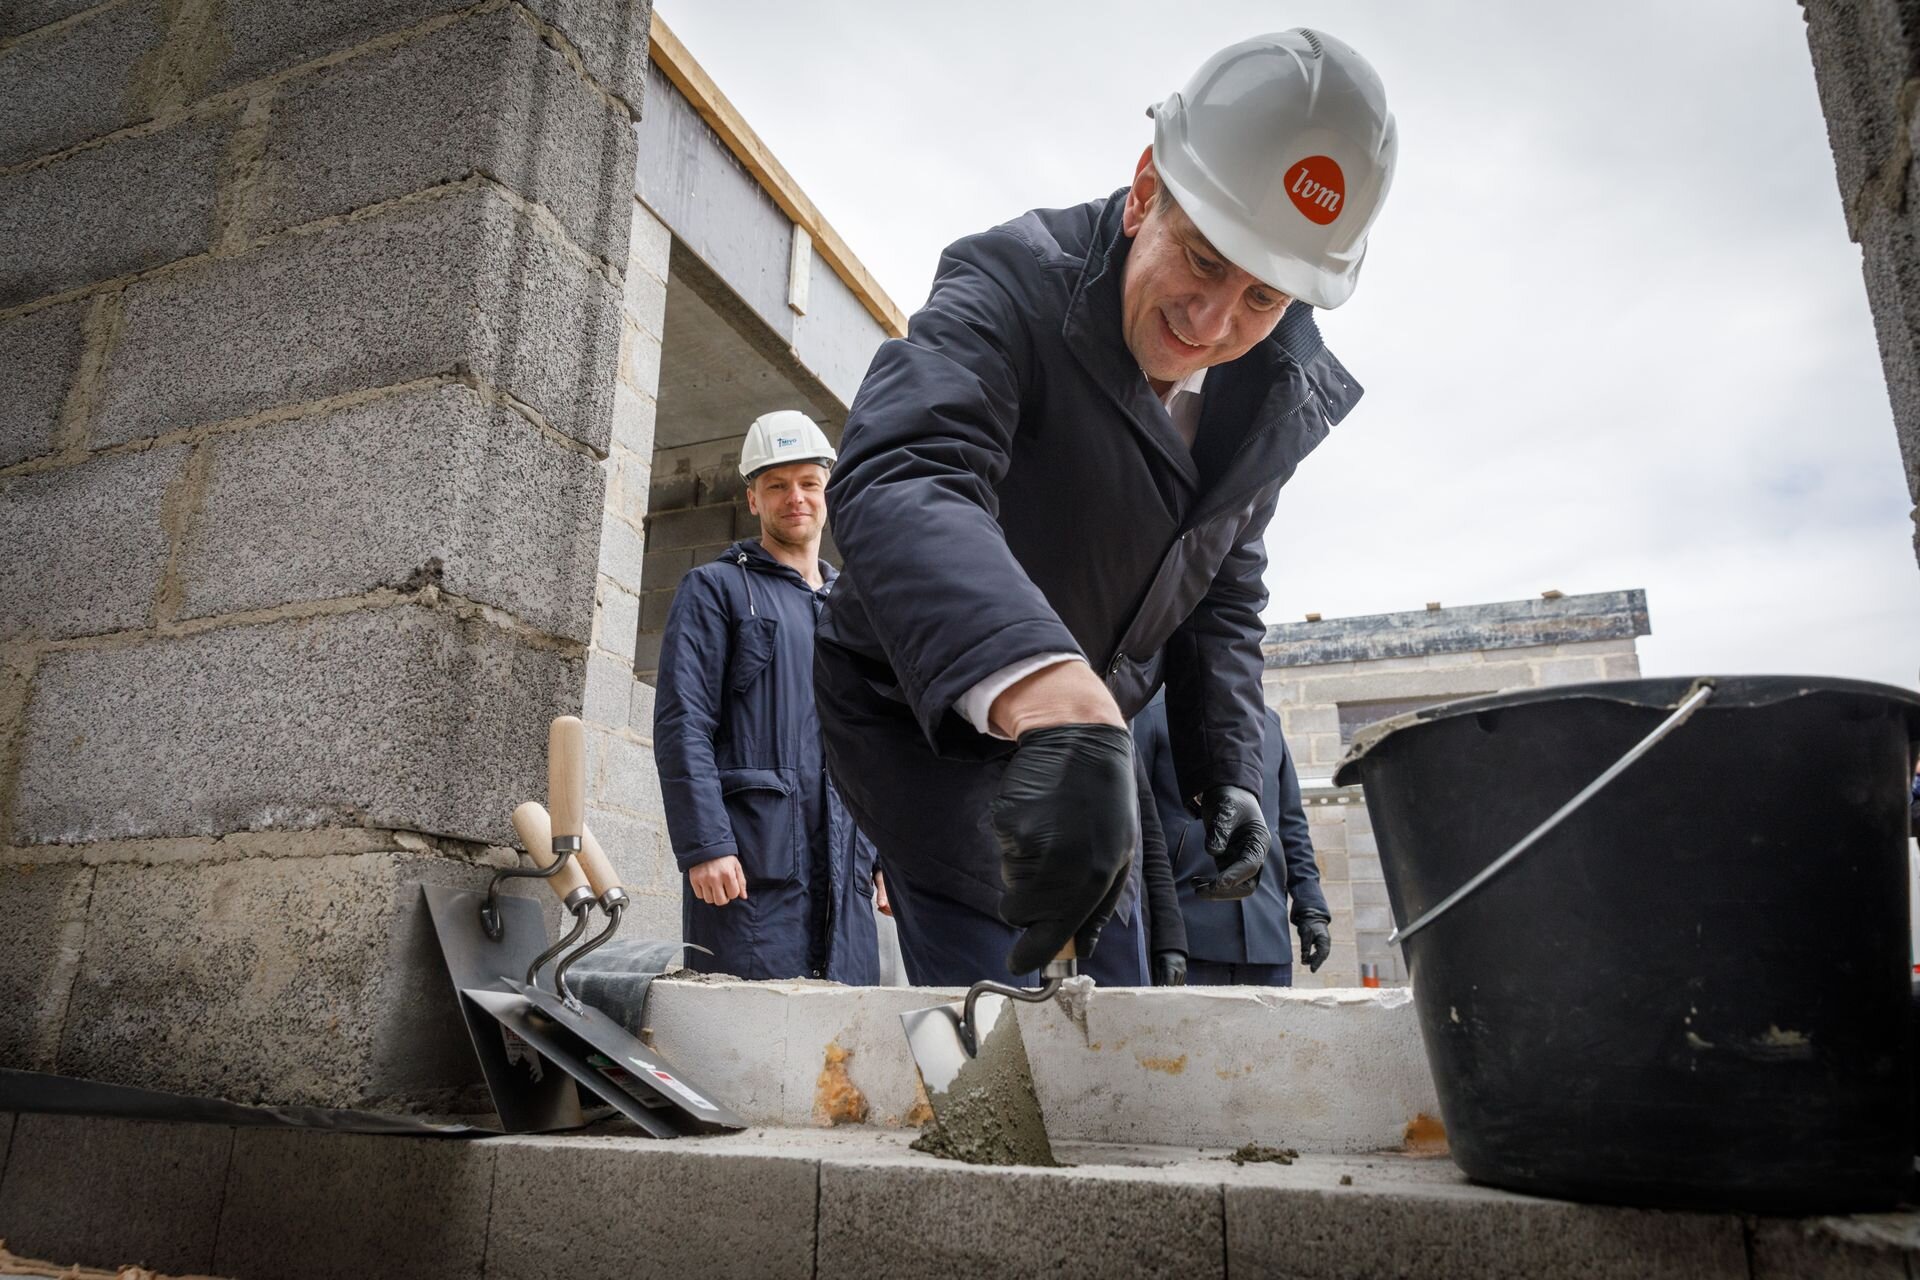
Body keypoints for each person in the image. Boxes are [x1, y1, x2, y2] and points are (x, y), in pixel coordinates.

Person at [814, 31, 1396, 985]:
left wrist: (1229, 769)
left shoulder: (1268, 399)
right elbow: (904, 473)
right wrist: (1043, 686)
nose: (1212, 323)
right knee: (1007, 992)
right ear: (1144, 191)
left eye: (1263, 299)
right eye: (1201, 260)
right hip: (930, 715)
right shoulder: (1008, 285)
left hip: (1089, 734)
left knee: (1116, 995)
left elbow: (1220, 594)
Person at [654, 411, 879, 983]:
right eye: (776, 485)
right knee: (745, 1021)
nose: (794, 497)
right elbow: (683, 722)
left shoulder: (853, 609)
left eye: (808, 483)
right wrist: (705, 844)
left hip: (846, 869)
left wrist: (885, 855)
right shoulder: (716, 589)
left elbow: (878, 743)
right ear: (752, 498)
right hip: (752, 866)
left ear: (828, 492)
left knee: (845, 1029)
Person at [1135, 694, 1331, 985]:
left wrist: (1311, 908)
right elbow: (1139, 827)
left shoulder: (1269, 722)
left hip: (1267, 934)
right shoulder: (1150, 715)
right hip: (1188, 935)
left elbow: (1291, 827)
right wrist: (1165, 936)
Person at [1078, 757, 1188, 987]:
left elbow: (1149, 837)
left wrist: (1171, 938)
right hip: (1036, 913)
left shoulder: (1126, 740)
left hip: (1118, 919)